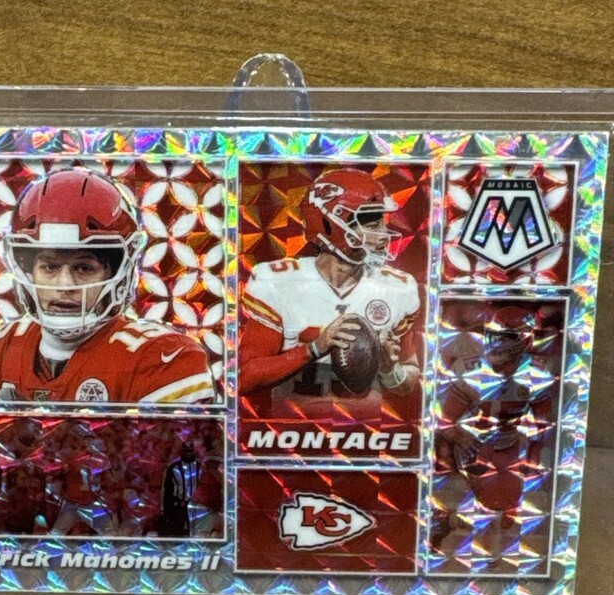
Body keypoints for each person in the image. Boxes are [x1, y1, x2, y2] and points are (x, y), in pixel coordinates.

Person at [0, 167, 214, 404]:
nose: (65, 285)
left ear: (116, 272)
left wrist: (28, 423)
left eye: (84, 268)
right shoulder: (1, 345)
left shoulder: (164, 359)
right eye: (49, 267)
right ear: (29, 271)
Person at [239, 168, 421, 419]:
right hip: (291, 433)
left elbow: (408, 383)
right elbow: (244, 379)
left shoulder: (398, 288)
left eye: (382, 223)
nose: (383, 236)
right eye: (372, 224)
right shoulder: (279, 282)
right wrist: (314, 349)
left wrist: (390, 371)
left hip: (364, 434)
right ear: (331, 225)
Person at [433, 305, 557, 559]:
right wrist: (461, 437)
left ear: (523, 341)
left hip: (511, 447)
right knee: (475, 506)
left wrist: (533, 456)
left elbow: (543, 426)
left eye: (505, 338)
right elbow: (444, 422)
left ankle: (470, 533)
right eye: (493, 335)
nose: (496, 344)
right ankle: (445, 520)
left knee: (507, 515)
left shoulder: (536, 373)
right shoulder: (472, 370)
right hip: (474, 446)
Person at [159, 441, 202, 537]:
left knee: (196, 532)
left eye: (190, 451)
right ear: (182, 452)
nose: (188, 454)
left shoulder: (200, 467)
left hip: (196, 505)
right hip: (178, 505)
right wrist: (164, 509)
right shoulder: (174, 468)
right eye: (186, 451)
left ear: (193, 451)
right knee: (177, 533)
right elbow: (167, 490)